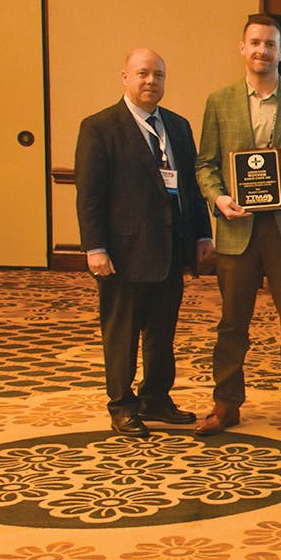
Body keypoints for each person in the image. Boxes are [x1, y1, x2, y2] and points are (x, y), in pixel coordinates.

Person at [193, 15, 281, 439]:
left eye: (270, 44)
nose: (261, 50)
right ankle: (226, 402)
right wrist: (219, 199)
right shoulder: (219, 102)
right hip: (238, 230)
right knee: (232, 323)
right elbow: (205, 164)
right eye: (254, 43)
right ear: (242, 48)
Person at [75, 48, 214, 437]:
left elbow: (189, 185)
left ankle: (156, 398)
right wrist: (95, 248)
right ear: (124, 77)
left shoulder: (178, 126)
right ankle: (121, 404)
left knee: (161, 332)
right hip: (122, 253)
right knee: (121, 333)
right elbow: (90, 195)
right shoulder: (99, 127)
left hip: (171, 251)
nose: (151, 81)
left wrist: (203, 234)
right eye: (142, 74)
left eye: (158, 75)